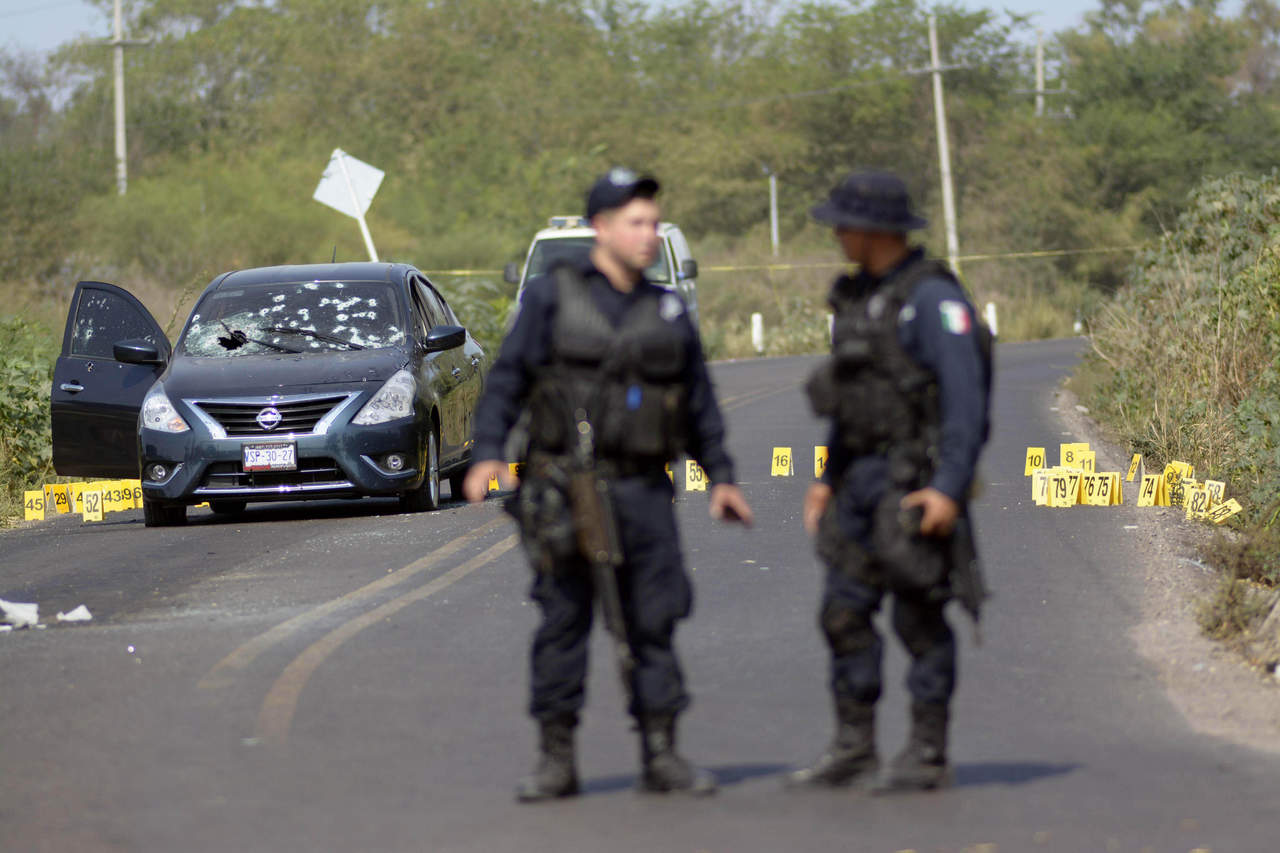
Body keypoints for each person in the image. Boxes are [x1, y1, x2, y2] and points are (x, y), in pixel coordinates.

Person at [463, 167, 753, 803]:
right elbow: (508, 380)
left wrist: (722, 477)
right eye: (635, 223)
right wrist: (486, 454)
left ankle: (663, 753)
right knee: (564, 621)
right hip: (563, 487)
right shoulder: (551, 299)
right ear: (600, 228)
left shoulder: (666, 307)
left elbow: (699, 402)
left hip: (645, 490)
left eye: (653, 222)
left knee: (654, 620)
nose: (648, 234)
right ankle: (556, 759)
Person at [788, 170, 991, 793]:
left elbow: (966, 403)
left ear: (875, 230)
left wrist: (949, 488)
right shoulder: (857, 298)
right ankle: (854, 746)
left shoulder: (934, 301)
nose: (837, 235)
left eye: (845, 224)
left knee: (918, 617)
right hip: (858, 481)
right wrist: (827, 476)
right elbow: (855, 402)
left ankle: (927, 751)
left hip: (915, 479)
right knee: (842, 612)